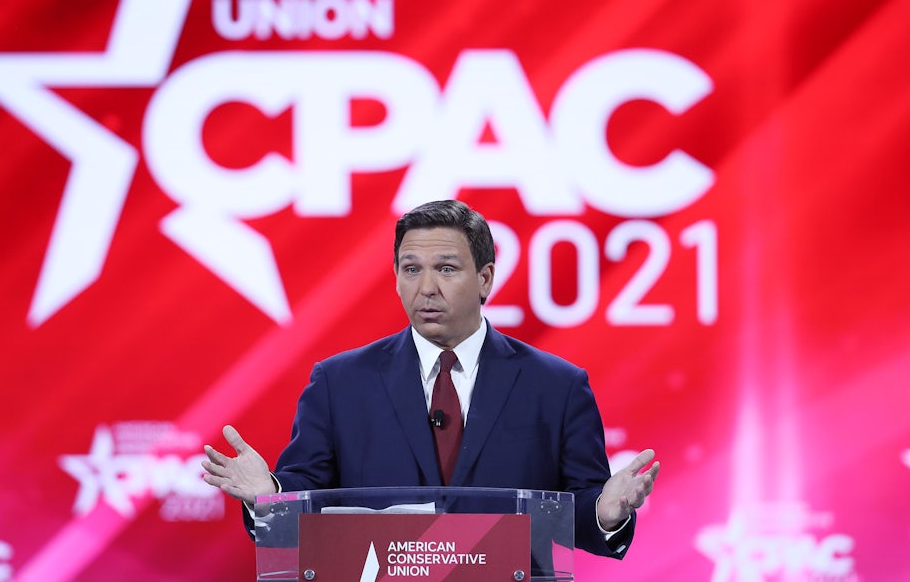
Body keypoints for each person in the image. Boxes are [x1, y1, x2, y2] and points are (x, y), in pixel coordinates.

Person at [202, 199, 659, 560]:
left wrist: (606, 513)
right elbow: (306, 502)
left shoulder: (556, 386)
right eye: (411, 268)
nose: (425, 288)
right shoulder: (339, 383)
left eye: (446, 268)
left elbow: (578, 511)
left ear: (485, 279)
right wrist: (269, 495)